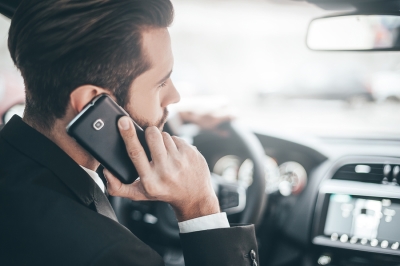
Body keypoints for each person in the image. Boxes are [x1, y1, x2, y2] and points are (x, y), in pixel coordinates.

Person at [0, 0, 259, 265]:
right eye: (161, 84)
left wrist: (170, 115)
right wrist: (200, 206)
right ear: (93, 101)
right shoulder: (112, 254)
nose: (176, 96)